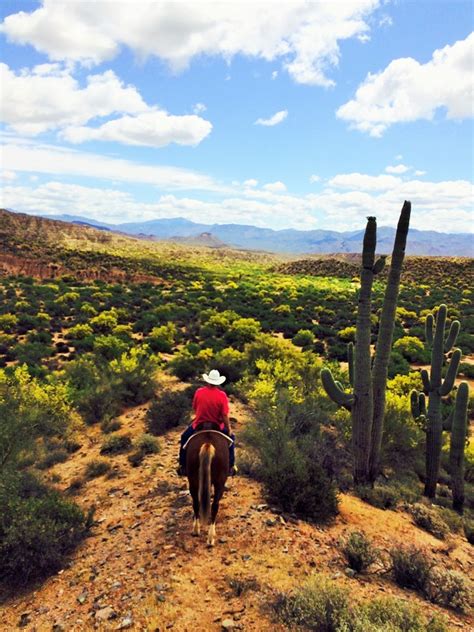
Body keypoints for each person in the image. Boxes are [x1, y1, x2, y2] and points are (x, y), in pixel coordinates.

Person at [177, 369, 236, 476]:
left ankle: (182, 465)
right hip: (217, 426)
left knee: (184, 437)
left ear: (208, 381)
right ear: (218, 382)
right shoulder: (222, 395)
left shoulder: (199, 392)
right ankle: (231, 466)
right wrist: (229, 429)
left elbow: (195, 407)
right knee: (231, 440)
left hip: (199, 424)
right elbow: (224, 415)